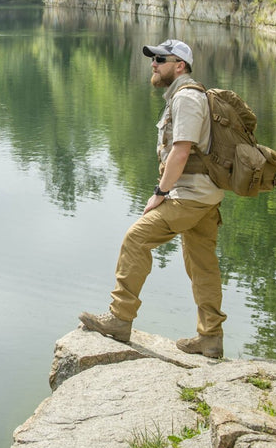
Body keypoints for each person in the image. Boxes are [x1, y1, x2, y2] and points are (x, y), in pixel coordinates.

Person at [79, 38, 227, 359]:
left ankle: (120, 318)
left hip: (189, 197)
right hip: (206, 196)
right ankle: (211, 338)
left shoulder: (186, 98)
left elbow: (182, 150)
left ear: (181, 66)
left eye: (162, 59)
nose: (154, 64)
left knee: (136, 239)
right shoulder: (186, 95)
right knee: (202, 265)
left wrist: (160, 193)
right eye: (153, 59)